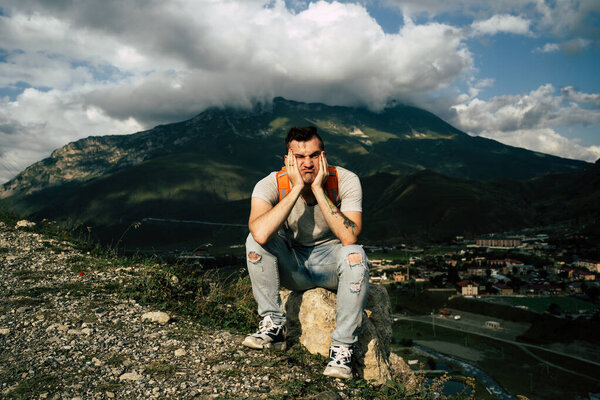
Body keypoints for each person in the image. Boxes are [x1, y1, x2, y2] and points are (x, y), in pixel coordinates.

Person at [242, 126, 369, 379]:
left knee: (355, 255)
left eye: (314, 155)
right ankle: (273, 327)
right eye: (299, 157)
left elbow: (349, 236)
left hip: (331, 264)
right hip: (294, 264)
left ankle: (342, 350)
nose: (307, 163)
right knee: (254, 242)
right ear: (288, 159)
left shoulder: (344, 180)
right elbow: (260, 234)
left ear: (323, 156)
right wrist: (297, 188)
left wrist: (319, 189)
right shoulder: (271, 184)